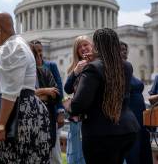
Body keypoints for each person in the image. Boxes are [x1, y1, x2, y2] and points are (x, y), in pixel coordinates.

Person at [0, 12, 51, 163]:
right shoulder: (19, 44)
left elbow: (10, 92)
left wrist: (0, 126)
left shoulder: (11, 48)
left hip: (18, 111)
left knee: (12, 156)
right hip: (27, 107)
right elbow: (0, 73)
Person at [64, 28, 140, 164]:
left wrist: (68, 105)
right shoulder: (127, 66)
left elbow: (79, 105)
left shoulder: (93, 68)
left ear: (96, 46)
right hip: (127, 129)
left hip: (101, 133)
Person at [30, 39, 64, 164]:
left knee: (54, 152)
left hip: (50, 113)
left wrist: (60, 111)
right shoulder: (26, 70)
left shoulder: (49, 66)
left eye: (40, 51)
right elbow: (25, 94)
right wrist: (44, 92)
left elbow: (57, 91)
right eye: (35, 52)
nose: (39, 54)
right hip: (33, 117)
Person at [120, 41, 153, 164]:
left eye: (125, 49)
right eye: (121, 49)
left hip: (141, 116)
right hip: (130, 116)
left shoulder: (128, 67)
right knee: (133, 151)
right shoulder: (116, 70)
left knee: (143, 150)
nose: (124, 51)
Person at [64, 35, 93, 164]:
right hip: (77, 118)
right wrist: (75, 72)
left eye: (85, 44)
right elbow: (67, 89)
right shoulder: (75, 68)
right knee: (77, 154)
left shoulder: (99, 63)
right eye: (79, 47)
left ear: (91, 45)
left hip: (93, 116)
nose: (83, 48)